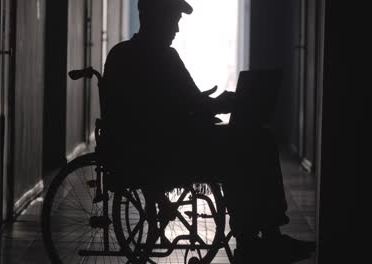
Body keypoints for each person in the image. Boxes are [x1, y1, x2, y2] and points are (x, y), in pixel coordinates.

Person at [101, 0, 315, 262]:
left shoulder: (121, 55)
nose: (177, 29)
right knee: (254, 144)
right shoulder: (163, 57)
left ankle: (259, 239)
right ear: (154, 18)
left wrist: (203, 105)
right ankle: (257, 239)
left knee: (250, 142)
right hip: (165, 155)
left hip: (145, 150)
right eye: (173, 19)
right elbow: (186, 105)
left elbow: (174, 104)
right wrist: (223, 102)